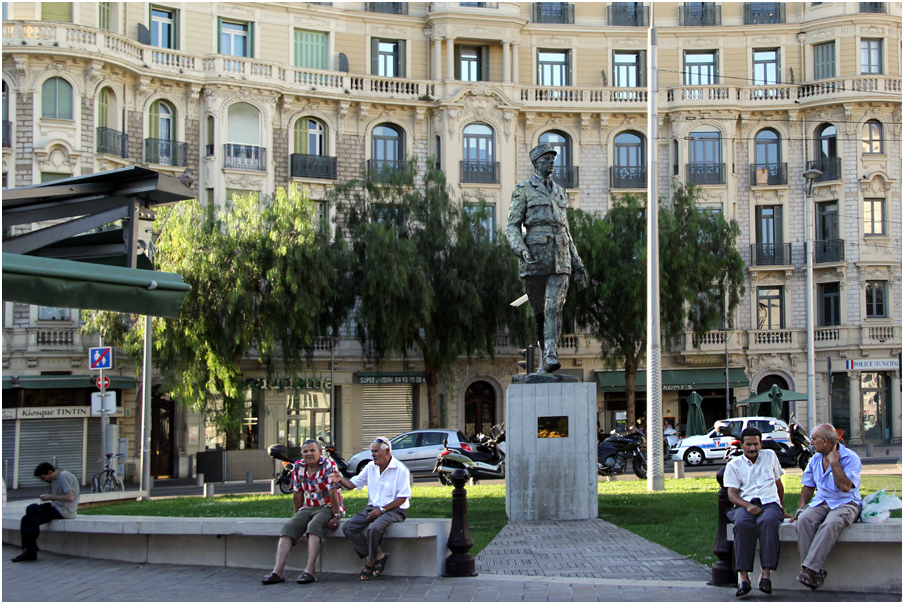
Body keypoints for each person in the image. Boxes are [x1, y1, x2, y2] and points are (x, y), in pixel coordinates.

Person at [505, 143, 586, 374]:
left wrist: (577, 264)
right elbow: (512, 226)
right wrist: (520, 249)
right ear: (536, 162)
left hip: (560, 258)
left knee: (554, 307)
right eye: (547, 158)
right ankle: (544, 356)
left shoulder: (560, 192)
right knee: (539, 312)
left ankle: (550, 355)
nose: (551, 162)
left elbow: (566, 230)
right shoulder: (523, 190)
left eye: (553, 158)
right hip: (534, 257)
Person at [261, 439, 344, 585]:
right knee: (289, 528)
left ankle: (310, 571)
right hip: (308, 506)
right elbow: (297, 493)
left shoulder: (328, 465)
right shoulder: (298, 466)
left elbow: (333, 492)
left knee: (314, 526)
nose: (309, 454)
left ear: (319, 452)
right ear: (301, 454)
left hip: (327, 506)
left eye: (312, 450)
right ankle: (277, 571)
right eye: (305, 451)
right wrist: (298, 514)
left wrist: (336, 515)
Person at [791, 423, 862, 590]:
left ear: (824, 441)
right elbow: (808, 486)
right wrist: (801, 508)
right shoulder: (815, 458)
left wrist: (835, 464)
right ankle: (812, 572)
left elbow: (845, 487)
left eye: (814, 439)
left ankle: (809, 570)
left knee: (831, 523)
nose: (810, 442)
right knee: (804, 519)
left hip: (846, 502)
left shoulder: (850, 459)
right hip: (822, 501)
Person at [330, 436, 410, 581]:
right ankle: (378, 555)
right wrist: (340, 479)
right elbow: (352, 485)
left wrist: (382, 510)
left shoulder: (400, 470)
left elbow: (402, 498)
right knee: (349, 527)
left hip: (395, 509)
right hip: (373, 507)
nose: (373, 454)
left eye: (376, 451)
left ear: (387, 452)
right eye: (372, 451)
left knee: (374, 529)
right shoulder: (370, 467)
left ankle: (370, 562)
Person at [723, 427, 785, 597]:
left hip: (769, 503)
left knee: (769, 522)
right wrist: (747, 506)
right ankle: (743, 578)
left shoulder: (770, 456)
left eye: (756, 444)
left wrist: (782, 508)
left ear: (761, 444)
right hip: (744, 504)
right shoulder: (733, 465)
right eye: (748, 444)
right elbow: (732, 494)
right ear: (741, 445)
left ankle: (766, 575)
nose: (752, 448)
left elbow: (779, 485)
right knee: (742, 524)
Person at [12, 462, 79, 562]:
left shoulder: (64, 477)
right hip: (56, 506)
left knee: (31, 518)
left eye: (44, 478)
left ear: (50, 472)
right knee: (29, 513)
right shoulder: (56, 480)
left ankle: (30, 550)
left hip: (64, 511)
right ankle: (30, 549)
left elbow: (70, 497)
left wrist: (50, 497)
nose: (44, 481)